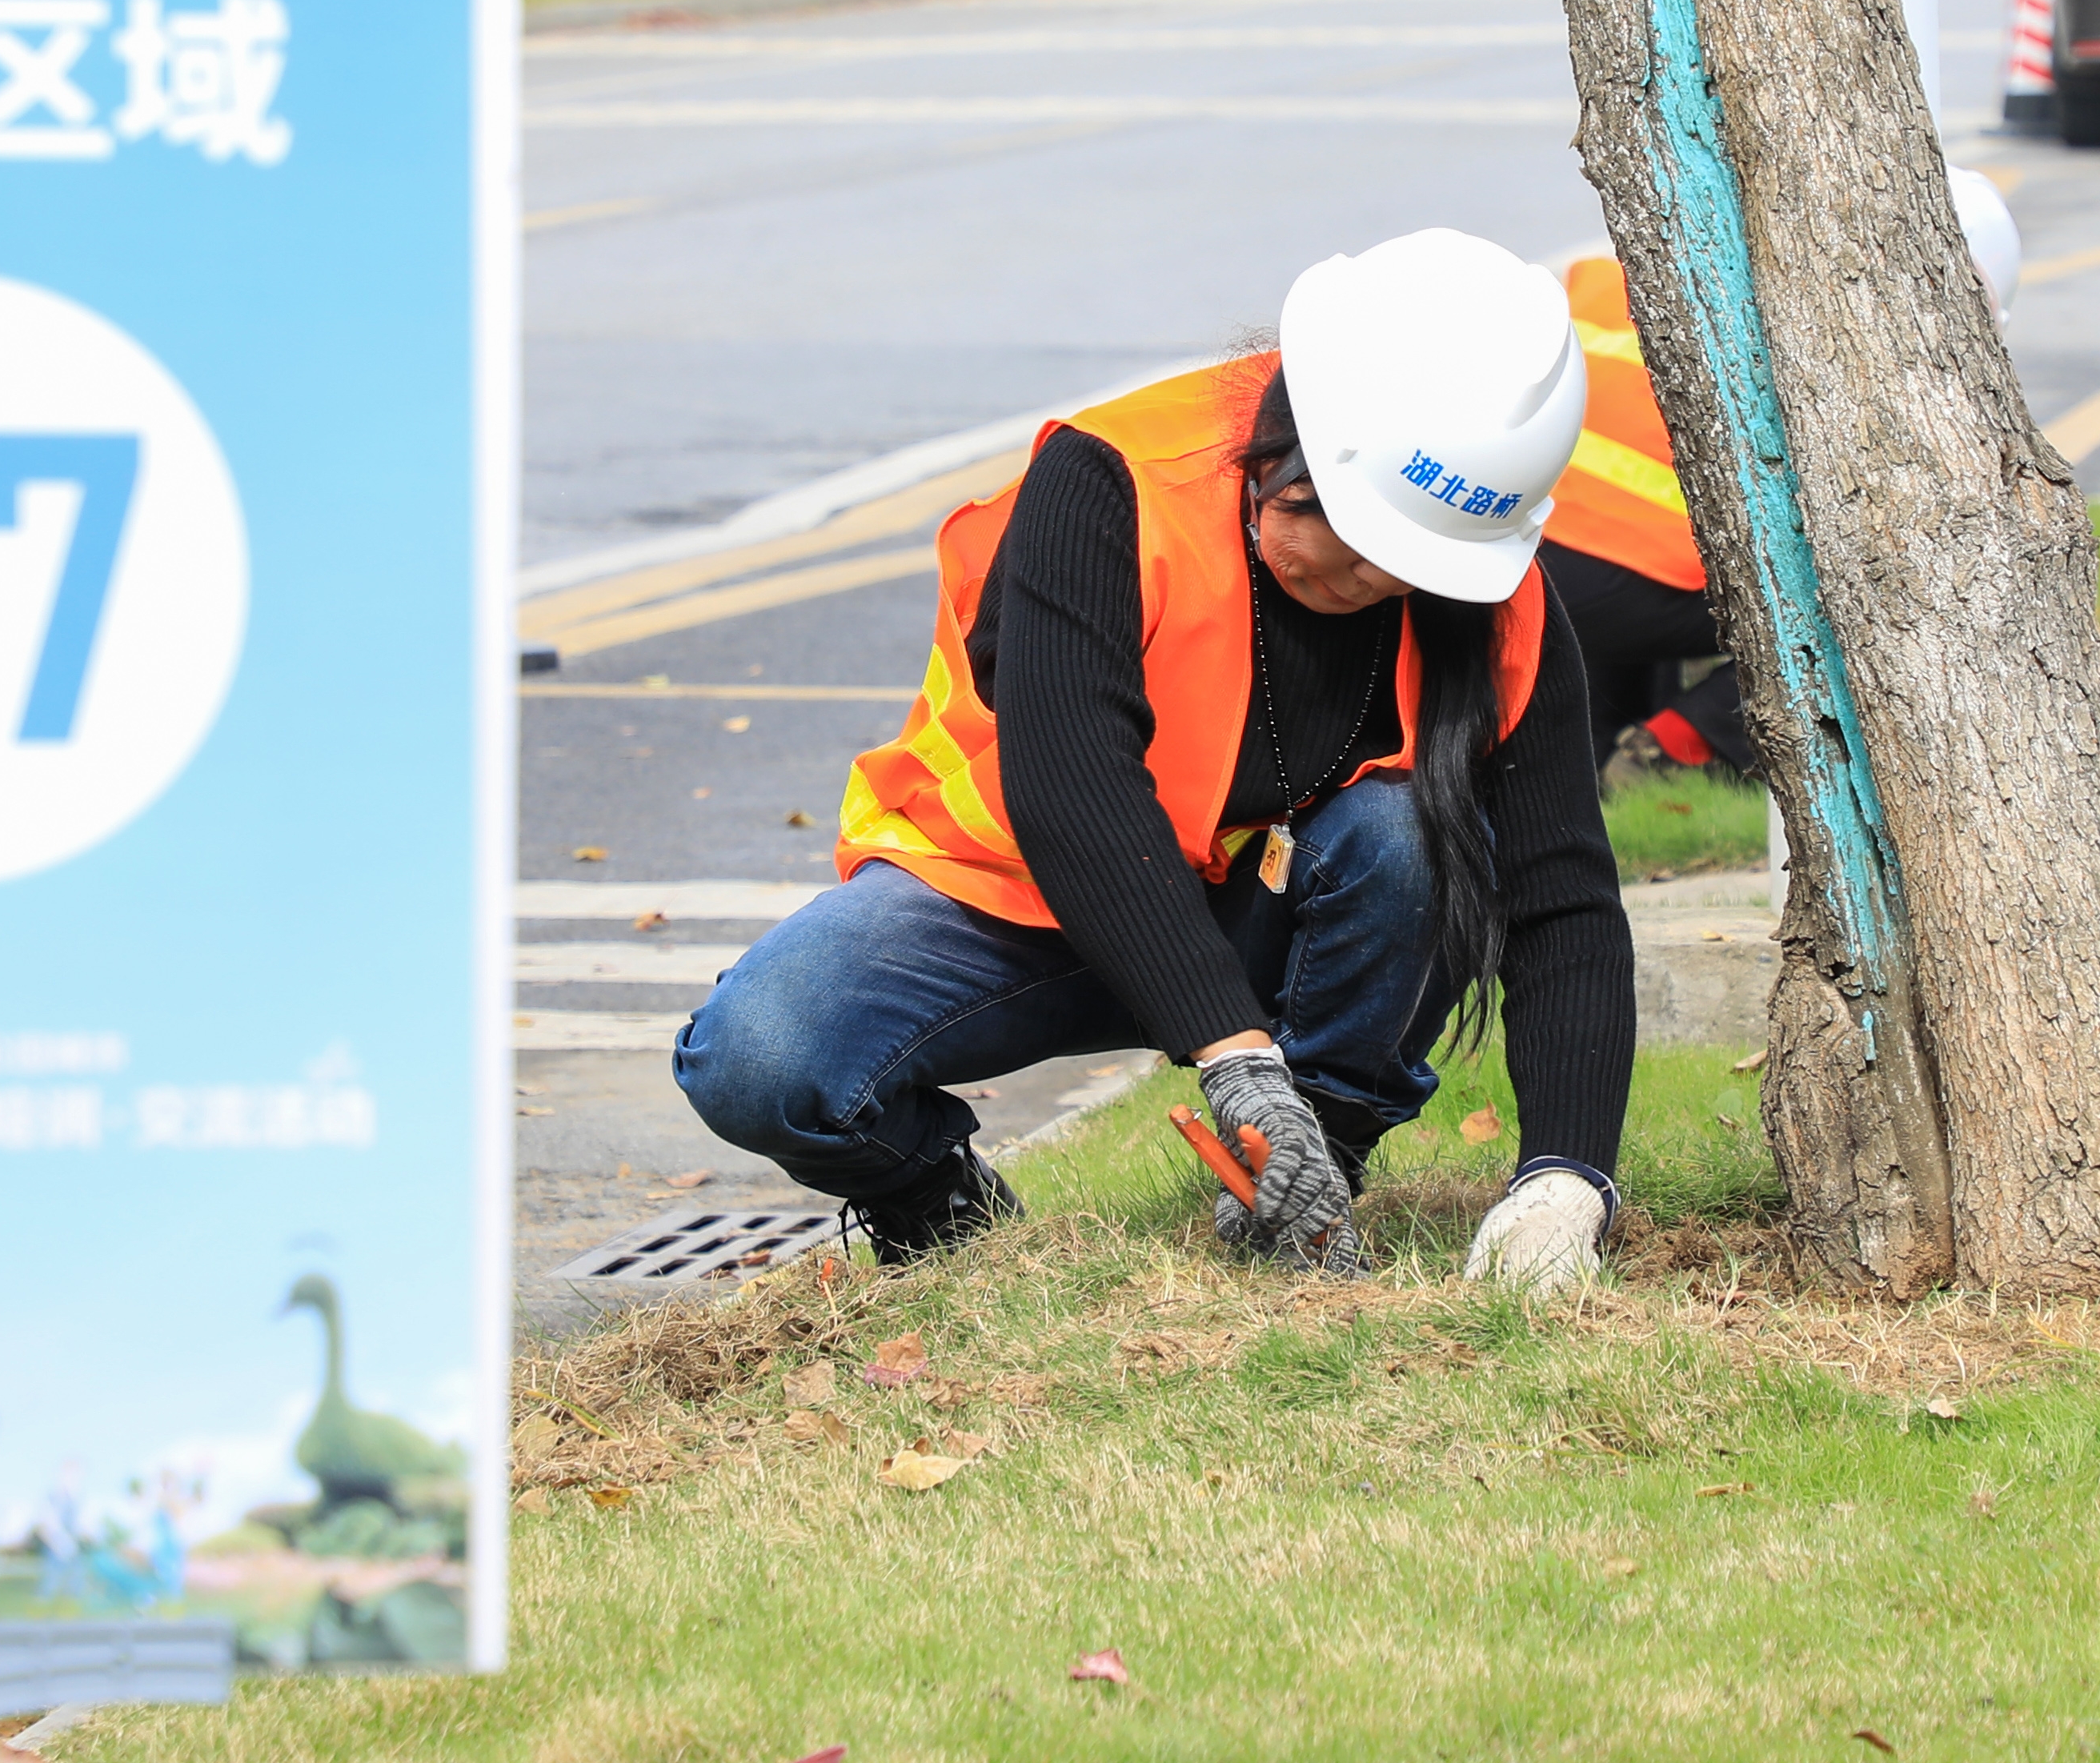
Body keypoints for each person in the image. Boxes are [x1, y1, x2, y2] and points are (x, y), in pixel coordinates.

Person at [671, 229, 1635, 1290]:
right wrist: (1232, 1056)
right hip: (1010, 902)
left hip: (1257, 916)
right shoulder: (1110, 487)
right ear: (1285, 449)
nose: (1371, 581)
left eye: (1411, 563)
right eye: (1353, 538)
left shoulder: (1489, 601)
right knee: (759, 1057)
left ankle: (1301, 1172)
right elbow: (1073, 793)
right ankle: (928, 1195)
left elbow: (1561, 898)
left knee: (1408, 837)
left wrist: (1566, 1176)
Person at [1543, 170, 2025, 775]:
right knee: (1882, 598)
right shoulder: (1834, 340)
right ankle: (1676, 747)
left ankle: (1594, 751)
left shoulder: (1647, 267)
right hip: (1631, 572)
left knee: (1671, 537)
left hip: (1524, 542)